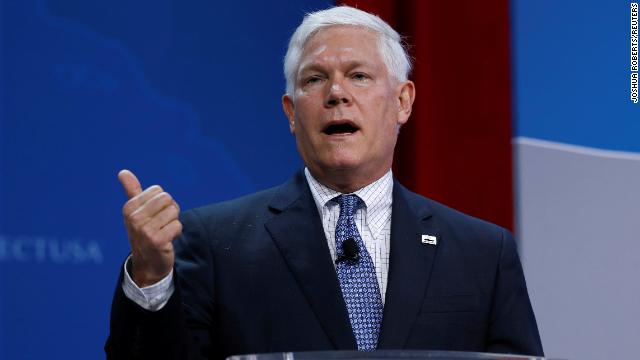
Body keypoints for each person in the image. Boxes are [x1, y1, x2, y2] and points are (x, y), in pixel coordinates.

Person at [106, 6, 543, 360]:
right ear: (291, 112)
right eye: (314, 80)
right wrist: (150, 275)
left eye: (359, 76)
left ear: (402, 102)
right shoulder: (216, 240)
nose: (336, 93)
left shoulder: (483, 252)